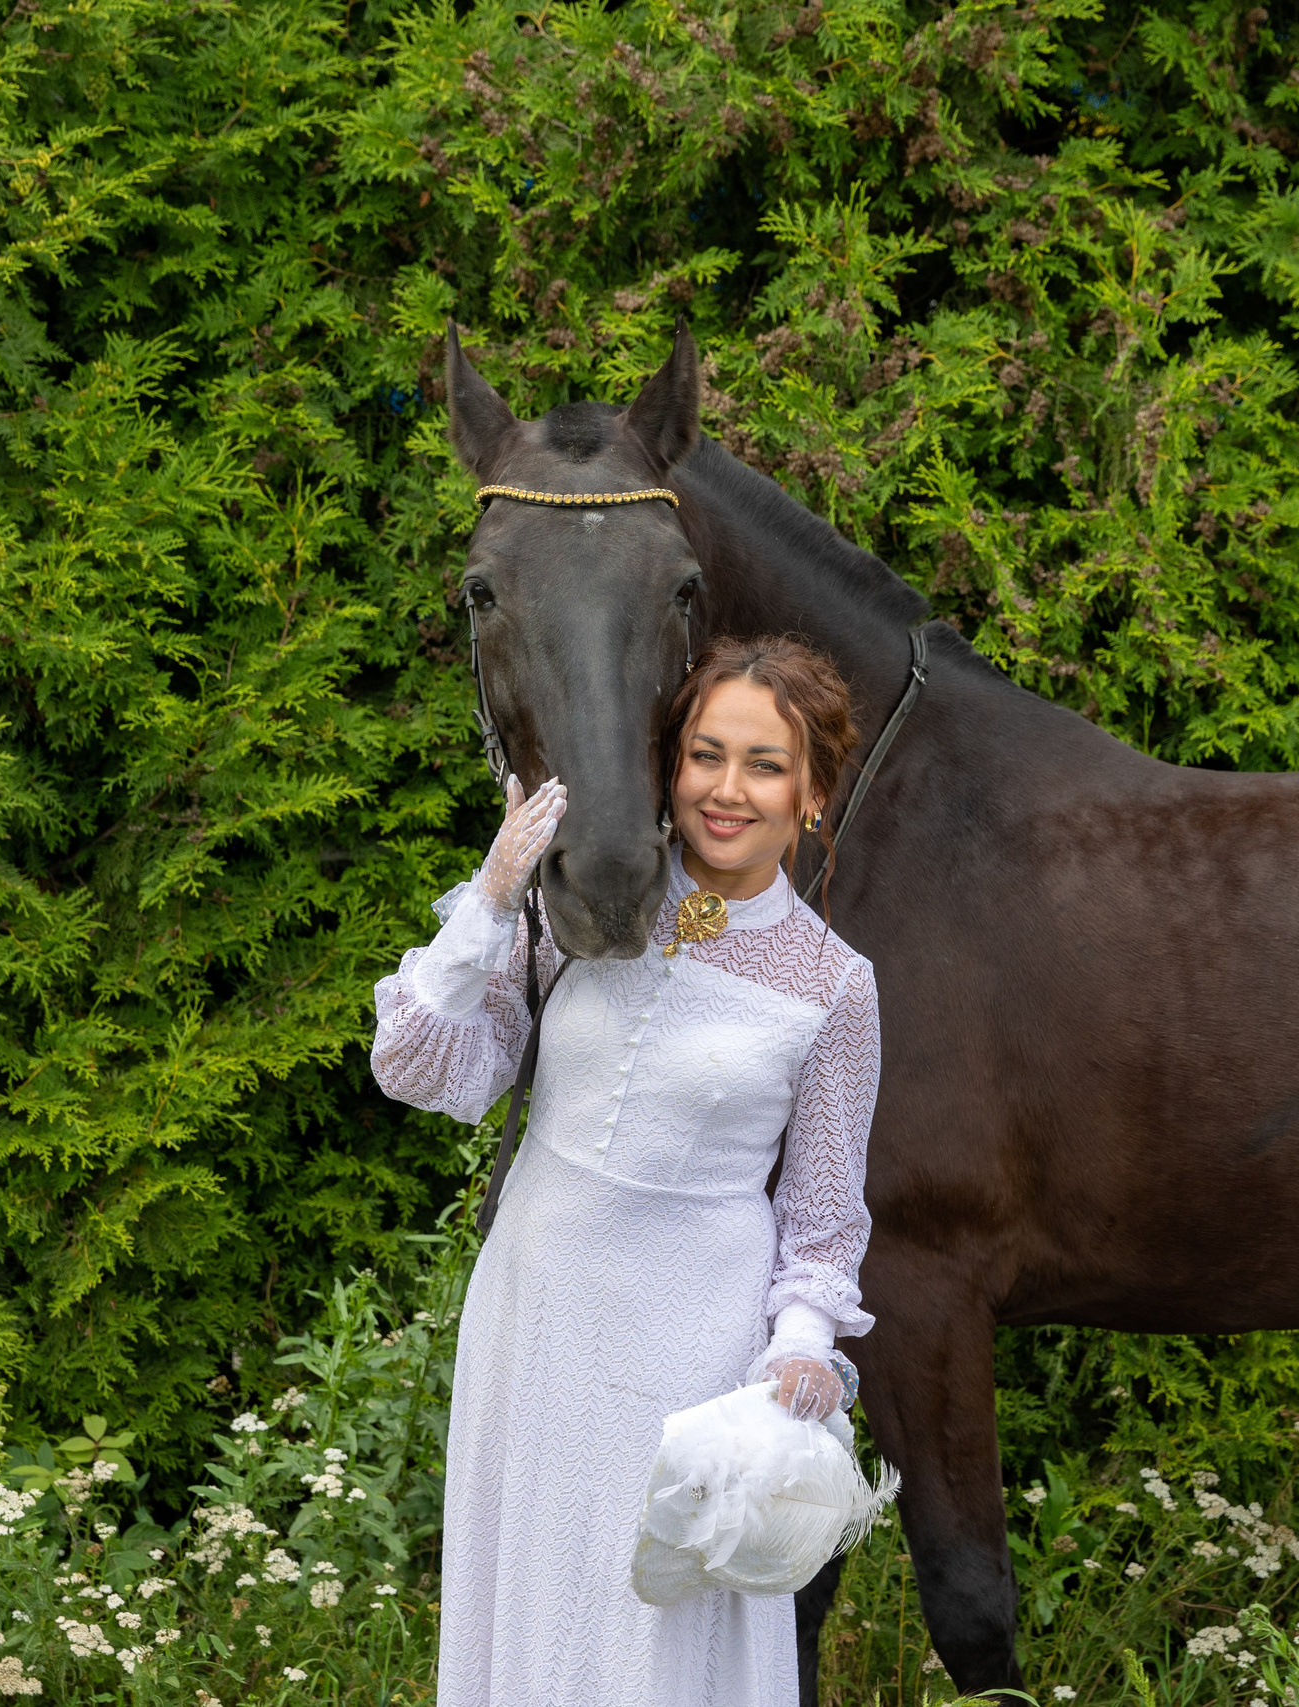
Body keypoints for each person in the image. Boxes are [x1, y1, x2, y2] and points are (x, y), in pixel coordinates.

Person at [371, 635, 881, 1706]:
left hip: (689, 1347)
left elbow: (824, 1218)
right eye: (705, 755)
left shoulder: (835, 987)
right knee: (528, 1593)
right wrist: (492, 901)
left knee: (644, 1625)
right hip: (535, 1313)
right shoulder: (579, 910)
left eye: (764, 764)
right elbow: (420, 1066)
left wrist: (799, 1348)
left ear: (815, 795)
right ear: (669, 767)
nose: (726, 790)